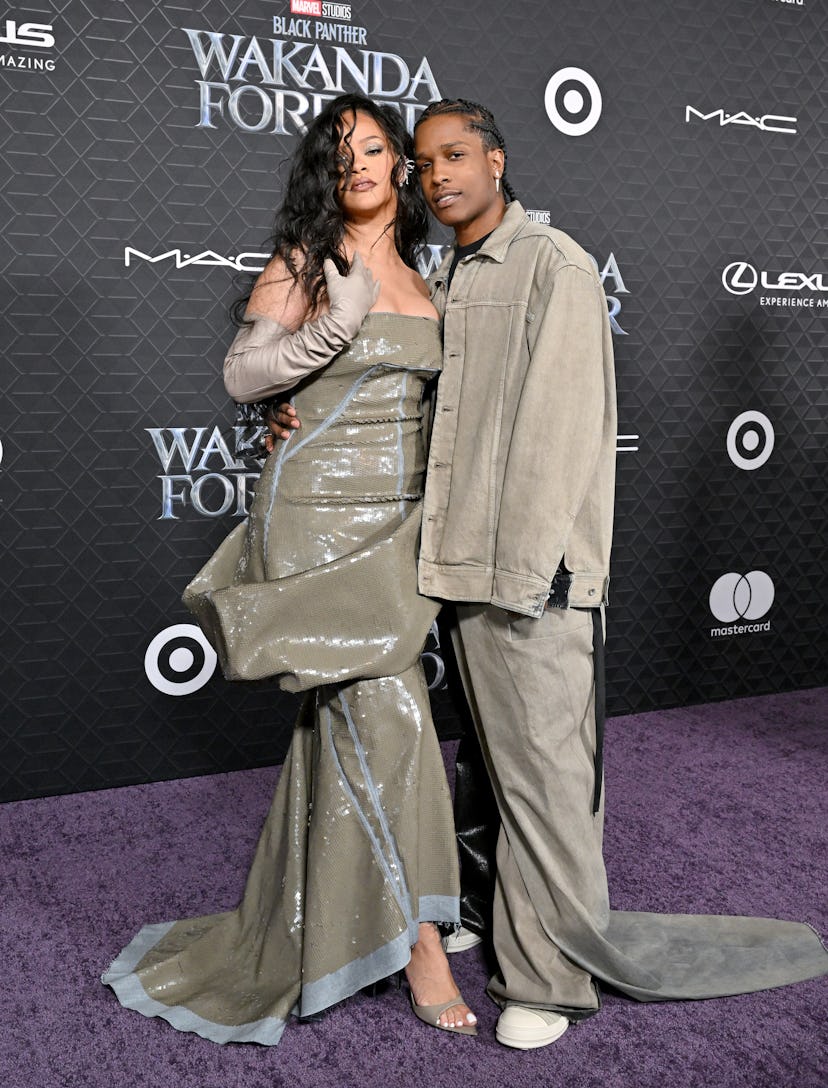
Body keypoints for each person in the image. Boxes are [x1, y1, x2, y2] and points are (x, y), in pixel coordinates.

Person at [270, 97, 828, 1050]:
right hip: (453, 567)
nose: (439, 174)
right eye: (426, 160)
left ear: (497, 159)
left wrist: (523, 578)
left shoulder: (552, 267)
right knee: (488, 773)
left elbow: (562, 439)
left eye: (457, 156)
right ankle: (488, 912)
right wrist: (290, 411)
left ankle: (550, 980)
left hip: (525, 578)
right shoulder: (450, 271)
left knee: (544, 784)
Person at [101, 94, 478, 1044]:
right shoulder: (311, 262)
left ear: (403, 164)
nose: (357, 164)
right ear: (326, 171)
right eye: (339, 152)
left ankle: (324, 924)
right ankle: (424, 936)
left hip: (396, 528)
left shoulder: (432, 274)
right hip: (312, 517)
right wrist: (330, 330)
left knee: (345, 733)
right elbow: (243, 377)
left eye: (374, 148)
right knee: (387, 713)